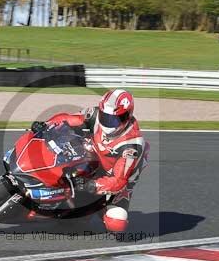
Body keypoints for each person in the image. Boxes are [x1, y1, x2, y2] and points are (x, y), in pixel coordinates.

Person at [30, 89, 148, 232]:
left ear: (127, 116)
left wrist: (91, 185)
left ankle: (94, 209)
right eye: (106, 117)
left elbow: (118, 181)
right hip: (91, 156)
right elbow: (67, 119)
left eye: (116, 119)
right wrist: (47, 125)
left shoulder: (132, 145)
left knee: (117, 222)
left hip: (111, 181)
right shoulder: (94, 113)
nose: (109, 122)